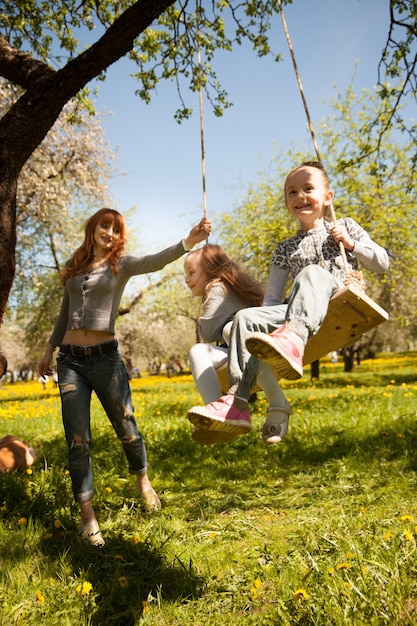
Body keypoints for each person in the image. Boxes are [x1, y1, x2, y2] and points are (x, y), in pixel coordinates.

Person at [38, 208, 211, 546]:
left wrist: (189, 240)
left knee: (126, 427)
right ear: (93, 228)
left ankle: (143, 481)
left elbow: (157, 260)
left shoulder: (122, 265)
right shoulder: (75, 267)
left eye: (115, 229)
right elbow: (64, 313)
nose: (109, 233)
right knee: (77, 438)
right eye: (104, 225)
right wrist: (48, 350)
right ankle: (87, 514)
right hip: (70, 361)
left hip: (106, 360)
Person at [187, 161, 389, 435]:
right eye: (292, 192)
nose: (300, 196)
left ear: (327, 197)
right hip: (300, 312)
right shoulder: (284, 249)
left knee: (311, 274)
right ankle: (236, 403)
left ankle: (293, 338)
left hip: (339, 301)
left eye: (308, 188)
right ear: (286, 203)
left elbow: (382, 263)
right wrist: (262, 325)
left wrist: (352, 244)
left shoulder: (344, 227)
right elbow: (271, 299)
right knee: (244, 319)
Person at [184, 243, 291, 445]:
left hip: (260, 347)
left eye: (191, 272)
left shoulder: (217, 287)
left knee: (228, 330)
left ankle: (278, 402)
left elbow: (207, 333)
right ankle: (219, 414)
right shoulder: (225, 286)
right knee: (198, 351)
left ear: (209, 270)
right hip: (236, 351)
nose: (186, 279)